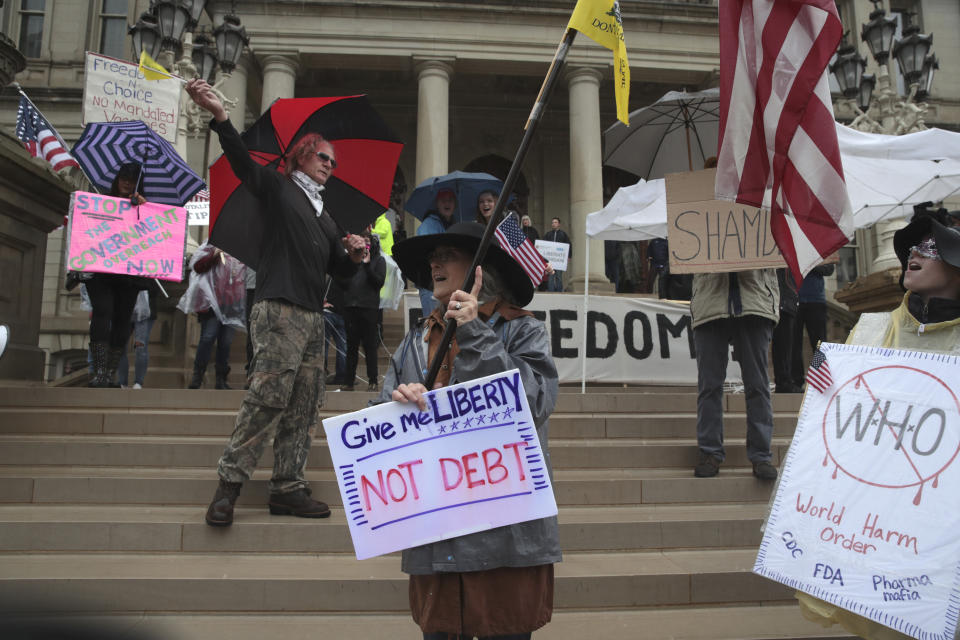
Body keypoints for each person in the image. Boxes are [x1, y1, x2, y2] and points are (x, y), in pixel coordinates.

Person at [185, 78, 366, 527]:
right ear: (301, 155)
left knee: (305, 404)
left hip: (313, 317)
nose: (330, 164)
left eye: (334, 161)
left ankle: (288, 487)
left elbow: (339, 272)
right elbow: (243, 164)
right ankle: (229, 486)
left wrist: (355, 256)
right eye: (324, 156)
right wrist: (221, 118)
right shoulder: (278, 187)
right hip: (278, 308)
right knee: (268, 397)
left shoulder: (324, 213)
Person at [384, 221, 561, 639]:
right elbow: (380, 414)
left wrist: (476, 334)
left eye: (447, 254)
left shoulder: (523, 329)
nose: (434, 262)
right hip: (438, 539)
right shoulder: (415, 340)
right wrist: (398, 403)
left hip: (505, 540)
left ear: (480, 269)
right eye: (433, 256)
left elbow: (533, 403)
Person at [795, 212, 960, 640]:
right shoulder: (869, 331)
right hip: (884, 525)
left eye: (931, 247)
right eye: (914, 247)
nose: (913, 255)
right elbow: (833, 427)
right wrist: (824, 385)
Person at [690, 269, 779, 480]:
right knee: (709, 386)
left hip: (754, 301)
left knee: (758, 385)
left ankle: (761, 456)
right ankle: (710, 452)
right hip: (709, 303)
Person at [84, 162, 150, 387]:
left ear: (138, 182)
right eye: (123, 177)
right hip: (101, 270)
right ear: (117, 179)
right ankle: (99, 371)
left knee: (123, 319)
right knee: (102, 312)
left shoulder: (144, 207)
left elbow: (153, 237)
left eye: (131, 179)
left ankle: (110, 372)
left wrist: (143, 209)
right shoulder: (101, 202)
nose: (126, 182)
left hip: (129, 273)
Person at [180, 244, 245, 390]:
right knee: (208, 337)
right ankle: (198, 375)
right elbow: (198, 267)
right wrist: (214, 255)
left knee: (226, 342)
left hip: (230, 304)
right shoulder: (209, 246)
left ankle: (221, 378)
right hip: (211, 304)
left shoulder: (239, 250)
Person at [339, 231, 386, 392]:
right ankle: (348, 381)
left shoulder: (378, 260)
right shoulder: (351, 261)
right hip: (351, 307)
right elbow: (342, 281)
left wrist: (367, 265)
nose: (364, 247)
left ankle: (373, 380)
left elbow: (379, 282)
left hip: (369, 308)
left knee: (370, 346)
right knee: (351, 347)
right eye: (361, 243)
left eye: (367, 243)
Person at [790, 263, 834, 389]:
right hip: (794, 299)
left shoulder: (818, 247)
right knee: (794, 344)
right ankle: (797, 381)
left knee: (819, 344)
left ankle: (820, 379)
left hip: (816, 300)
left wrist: (810, 263)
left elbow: (829, 269)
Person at [415, 189, 457, 315]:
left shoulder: (452, 224)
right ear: (437, 204)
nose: (447, 203)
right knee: (434, 323)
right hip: (430, 284)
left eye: (450, 200)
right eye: (443, 200)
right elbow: (428, 253)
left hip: (446, 282)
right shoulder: (429, 224)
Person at [116, 287, 156, 389]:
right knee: (119, 346)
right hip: (124, 307)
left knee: (140, 346)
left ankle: (138, 382)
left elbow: (155, 288)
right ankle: (122, 382)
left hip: (146, 309)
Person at [771, 268, 801, 393]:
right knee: (782, 345)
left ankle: (785, 380)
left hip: (787, 300)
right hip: (781, 300)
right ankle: (783, 381)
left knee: (786, 345)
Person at [323, 276, 348, 386]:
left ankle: (321, 373)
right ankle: (341, 376)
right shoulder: (352, 276)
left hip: (330, 313)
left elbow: (325, 291)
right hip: (342, 315)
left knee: (324, 346)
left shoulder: (334, 276)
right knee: (343, 347)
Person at [542, 217, 570, 293]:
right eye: (552, 222)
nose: (553, 224)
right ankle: (551, 291)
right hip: (550, 260)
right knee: (550, 276)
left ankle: (559, 291)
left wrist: (568, 256)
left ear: (559, 224)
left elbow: (568, 245)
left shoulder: (563, 234)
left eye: (555, 222)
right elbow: (543, 245)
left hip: (559, 260)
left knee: (558, 276)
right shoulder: (548, 234)